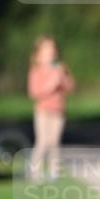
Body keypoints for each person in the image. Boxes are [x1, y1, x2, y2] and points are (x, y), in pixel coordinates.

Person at [28, 36, 75, 180]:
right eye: (47, 49)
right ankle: (34, 170)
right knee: (43, 141)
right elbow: (34, 93)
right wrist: (51, 85)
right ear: (38, 54)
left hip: (58, 110)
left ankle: (54, 171)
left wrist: (63, 77)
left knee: (55, 142)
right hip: (42, 111)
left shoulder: (60, 68)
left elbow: (71, 87)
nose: (51, 52)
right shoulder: (36, 71)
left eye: (53, 49)